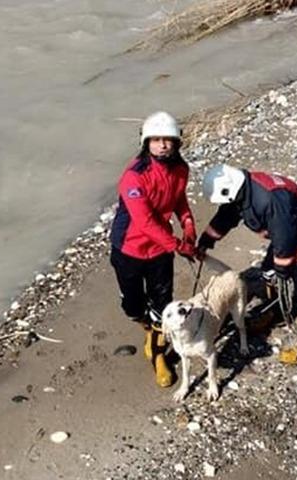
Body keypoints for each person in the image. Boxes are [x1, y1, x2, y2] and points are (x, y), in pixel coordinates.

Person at [197, 164, 297, 365]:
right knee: (269, 273)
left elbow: (284, 234)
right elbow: (227, 215)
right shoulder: (242, 191)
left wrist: (284, 268)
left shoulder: (269, 199)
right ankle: (277, 312)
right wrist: (207, 240)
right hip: (287, 234)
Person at [109, 111, 197, 387]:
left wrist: (188, 225)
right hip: (129, 250)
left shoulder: (181, 170)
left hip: (159, 253)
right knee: (132, 306)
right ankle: (147, 326)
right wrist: (179, 245)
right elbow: (145, 222)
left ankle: (158, 354)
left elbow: (179, 199)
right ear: (146, 143)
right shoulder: (133, 177)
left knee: (163, 304)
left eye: (167, 140)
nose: (162, 145)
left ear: (176, 143)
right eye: (156, 140)